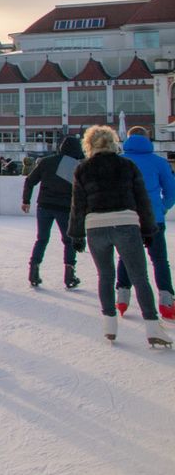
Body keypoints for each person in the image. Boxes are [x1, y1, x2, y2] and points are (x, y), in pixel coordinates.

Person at [69, 126, 171, 347]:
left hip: (95, 227)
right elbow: (142, 200)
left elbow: (78, 205)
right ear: (112, 142)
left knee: (105, 276)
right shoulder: (127, 165)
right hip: (126, 225)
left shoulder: (83, 169)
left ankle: (109, 326)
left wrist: (76, 235)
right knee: (139, 277)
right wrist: (148, 230)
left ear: (89, 144)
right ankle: (153, 327)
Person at [115, 127, 175, 320]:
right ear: (147, 138)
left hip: (126, 218)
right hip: (153, 218)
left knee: (125, 257)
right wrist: (163, 207)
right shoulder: (159, 162)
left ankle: (122, 297)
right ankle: (167, 301)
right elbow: (171, 191)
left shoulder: (119, 162)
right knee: (159, 260)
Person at [21, 135, 84, 289]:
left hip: (44, 205)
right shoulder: (75, 165)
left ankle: (33, 272)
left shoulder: (47, 161)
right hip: (65, 208)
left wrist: (26, 200)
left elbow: (30, 181)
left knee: (42, 239)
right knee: (68, 241)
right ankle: (69, 275)